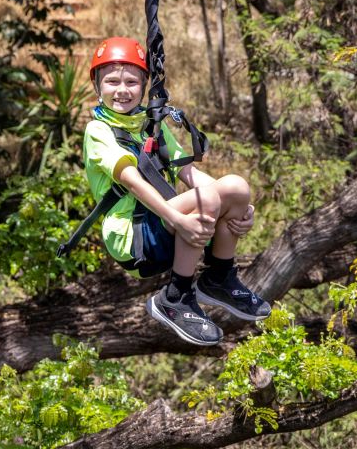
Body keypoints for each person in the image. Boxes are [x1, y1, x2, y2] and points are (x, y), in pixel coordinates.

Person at [82, 37, 271, 346]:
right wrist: (178, 219)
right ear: (97, 85)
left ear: (144, 85)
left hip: (167, 221)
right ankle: (175, 296)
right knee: (209, 197)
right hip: (133, 235)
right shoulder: (98, 131)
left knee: (236, 187)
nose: (122, 90)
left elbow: (189, 173)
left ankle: (219, 278)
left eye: (131, 81)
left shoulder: (151, 123)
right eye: (112, 81)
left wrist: (239, 208)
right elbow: (133, 182)